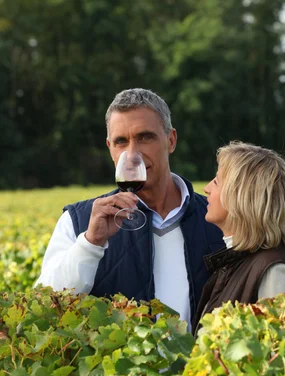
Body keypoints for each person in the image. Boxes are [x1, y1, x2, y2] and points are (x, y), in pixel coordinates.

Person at [35, 88, 224, 328]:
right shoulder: (77, 221)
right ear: (110, 148)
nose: (132, 154)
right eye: (121, 142)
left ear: (171, 140)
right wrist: (91, 243)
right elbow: (44, 308)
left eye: (145, 137)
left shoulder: (217, 216)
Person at [192, 141, 285, 334]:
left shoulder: (274, 271)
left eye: (216, 181)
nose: (207, 188)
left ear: (239, 196)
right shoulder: (238, 261)